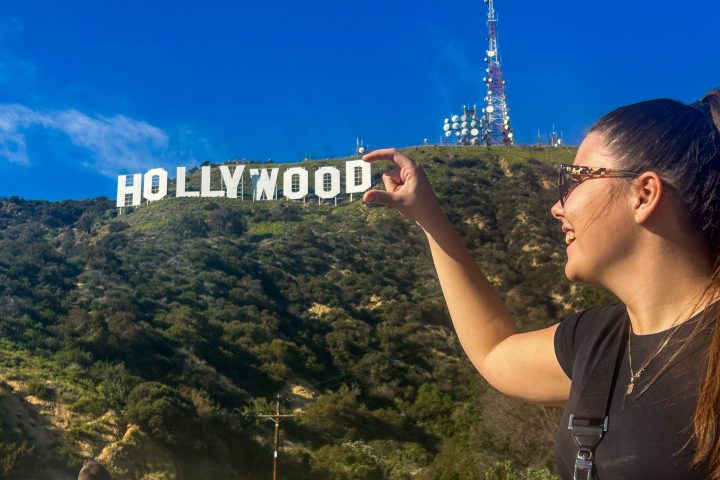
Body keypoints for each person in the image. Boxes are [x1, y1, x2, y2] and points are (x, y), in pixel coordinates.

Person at [362, 88, 720, 480]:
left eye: (575, 180)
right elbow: (494, 351)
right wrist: (427, 217)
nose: (556, 206)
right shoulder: (596, 340)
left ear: (644, 194)